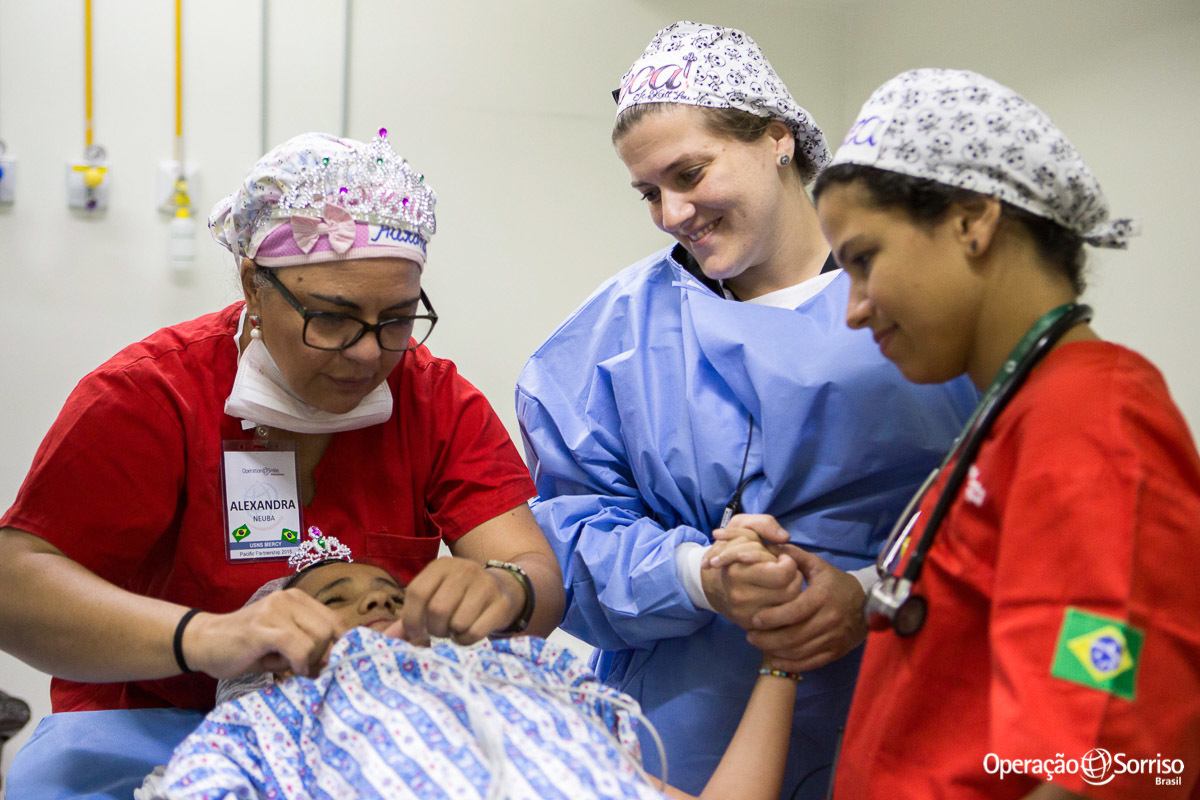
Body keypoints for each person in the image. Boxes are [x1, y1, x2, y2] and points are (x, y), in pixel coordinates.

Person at [515, 21, 979, 798]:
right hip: (688, 728)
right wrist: (700, 575)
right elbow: (567, 536)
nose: (671, 213)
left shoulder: (919, 302)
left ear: (777, 139)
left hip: (906, 698)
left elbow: (1000, 509)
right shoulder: (614, 337)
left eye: (689, 173)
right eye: (648, 192)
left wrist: (869, 589)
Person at [0, 130, 565, 717]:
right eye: (331, 317)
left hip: (362, 724)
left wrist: (507, 589)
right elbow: (15, 588)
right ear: (253, 286)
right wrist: (203, 638)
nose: (369, 354)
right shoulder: (152, 397)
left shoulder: (434, 401)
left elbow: (538, 575)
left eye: (396, 320)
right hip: (154, 722)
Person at [803, 68, 1200, 798]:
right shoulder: (1017, 415)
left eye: (864, 261)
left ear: (972, 221)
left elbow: (1105, 760)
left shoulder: (1093, 419)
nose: (853, 309)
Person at [147, 527, 803, 800]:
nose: (377, 595)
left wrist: (781, 657)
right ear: (271, 659)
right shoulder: (273, 719)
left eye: (392, 591)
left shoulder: (530, 678)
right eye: (335, 600)